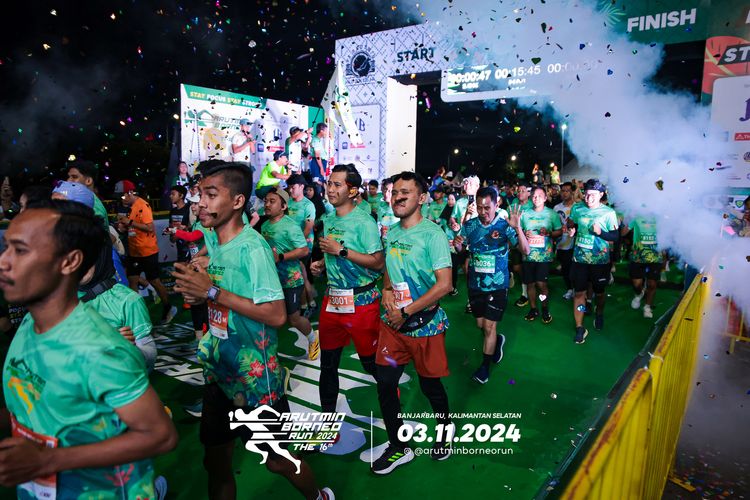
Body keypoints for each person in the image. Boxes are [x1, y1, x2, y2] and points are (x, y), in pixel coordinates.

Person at [171, 162, 333, 500]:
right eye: (200, 195)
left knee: (279, 461)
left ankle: (319, 496)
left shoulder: (253, 247)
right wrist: (199, 289)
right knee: (216, 462)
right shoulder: (217, 243)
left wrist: (212, 292)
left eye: (211, 195)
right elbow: (221, 293)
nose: (201, 203)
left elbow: (276, 315)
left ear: (237, 201)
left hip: (255, 382)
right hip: (219, 373)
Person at [0, 199, 177, 498]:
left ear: (70, 262)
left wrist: (48, 460)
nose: (3, 261)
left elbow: (160, 435)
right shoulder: (30, 322)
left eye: (21, 250)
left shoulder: (99, 348)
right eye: (6, 247)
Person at [372, 172, 454, 473]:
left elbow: (445, 284)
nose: (397, 197)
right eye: (394, 192)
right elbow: (390, 268)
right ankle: (399, 446)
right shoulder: (392, 232)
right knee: (385, 383)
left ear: (421, 198)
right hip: (393, 326)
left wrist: (406, 311)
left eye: (405, 192)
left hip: (423, 326)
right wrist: (386, 289)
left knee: (430, 386)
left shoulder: (433, 235)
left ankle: (445, 428)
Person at [310, 164, 384, 419]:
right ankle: (328, 422)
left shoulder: (365, 222)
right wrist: (322, 264)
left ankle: (390, 395)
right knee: (327, 364)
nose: (330, 189)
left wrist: (341, 251)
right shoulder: (328, 219)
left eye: (337, 185)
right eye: (329, 183)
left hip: (362, 302)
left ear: (352, 191)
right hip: (333, 301)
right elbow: (334, 254)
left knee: (370, 362)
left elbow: (378, 262)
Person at [453, 188, 529, 384]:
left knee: (489, 327)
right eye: (479, 207)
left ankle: (484, 367)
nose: (483, 212)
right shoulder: (470, 225)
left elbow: (526, 250)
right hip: (475, 284)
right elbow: (461, 248)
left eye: (487, 208)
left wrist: (518, 228)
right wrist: (458, 244)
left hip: (498, 285)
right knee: (481, 325)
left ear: (497, 205)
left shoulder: (505, 226)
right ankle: (497, 340)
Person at [261, 187, 319, 361]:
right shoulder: (264, 225)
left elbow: (303, 250)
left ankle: (313, 339)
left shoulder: (291, 226)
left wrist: (281, 257)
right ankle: (266, 350)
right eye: (266, 201)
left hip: (291, 280)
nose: (267, 204)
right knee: (269, 315)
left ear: (284, 206)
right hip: (272, 279)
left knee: (293, 319)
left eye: (272, 201)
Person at [115, 180, 177, 324]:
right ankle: (137, 316)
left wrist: (129, 222)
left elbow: (150, 228)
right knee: (132, 281)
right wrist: (122, 226)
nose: (121, 199)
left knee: (154, 281)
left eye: (123, 196)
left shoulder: (143, 206)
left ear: (130, 193)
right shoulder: (129, 207)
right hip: (134, 251)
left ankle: (168, 307)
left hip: (147, 251)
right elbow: (131, 228)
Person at [567, 179, 620, 344]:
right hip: (579, 259)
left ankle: (599, 313)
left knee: (599, 292)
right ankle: (579, 327)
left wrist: (601, 233)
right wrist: (571, 230)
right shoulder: (577, 208)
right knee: (579, 293)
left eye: (593, 195)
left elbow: (615, 236)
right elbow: (572, 222)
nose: (589, 198)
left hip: (600, 261)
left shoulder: (609, 213)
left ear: (601, 194)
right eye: (587, 194)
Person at [520, 187, 562, 323]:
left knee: (541, 284)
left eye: (539, 195)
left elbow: (559, 231)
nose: (536, 198)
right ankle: (533, 309)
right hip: (528, 255)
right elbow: (518, 231)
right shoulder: (525, 214)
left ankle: (544, 308)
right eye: (534, 195)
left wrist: (549, 233)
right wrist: (523, 234)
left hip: (544, 256)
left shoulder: (552, 214)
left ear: (545, 198)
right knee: (530, 284)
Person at [287, 175, 319, 317]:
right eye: (289, 187)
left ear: (301, 187)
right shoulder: (288, 202)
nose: (290, 190)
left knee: (299, 274)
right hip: (290, 246)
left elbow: (308, 228)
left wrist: (296, 244)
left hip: (304, 246)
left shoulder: (308, 205)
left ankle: (306, 304)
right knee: (301, 275)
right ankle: (308, 303)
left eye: (293, 187)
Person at [622, 214, 661, 319]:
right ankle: (639, 293)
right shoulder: (636, 215)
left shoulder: (659, 217)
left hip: (655, 256)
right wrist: (626, 222)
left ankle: (647, 307)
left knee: (652, 284)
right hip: (638, 256)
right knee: (637, 284)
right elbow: (623, 233)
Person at [509, 182, 533, 307]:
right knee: (517, 267)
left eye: (523, 191)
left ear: (529, 193)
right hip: (515, 239)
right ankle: (524, 289)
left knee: (528, 268)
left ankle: (525, 294)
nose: (520, 193)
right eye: (518, 191)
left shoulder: (533, 205)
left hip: (530, 241)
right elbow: (508, 221)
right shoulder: (513, 204)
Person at [66, 160, 109, 224]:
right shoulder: (82, 201)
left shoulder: (94, 208)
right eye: (69, 177)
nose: (68, 180)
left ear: (88, 181)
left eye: (74, 177)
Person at [554, 182, 577, 300]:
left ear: (572, 192)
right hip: (562, 244)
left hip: (576, 244)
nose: (564, 193)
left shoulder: (578, 207)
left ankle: (580, 290)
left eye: (567, 190)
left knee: (576, 269)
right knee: (565, 268)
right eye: (563, 190)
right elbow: (554, 225)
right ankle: (570, 289)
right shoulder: (556, 208)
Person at [166, 185, 192, 263]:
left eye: (173, 194)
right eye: (170, 194)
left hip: (190, 247)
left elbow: (193, 228)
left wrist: (181, 230)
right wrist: (173, 234)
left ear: (181, 196)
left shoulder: (190, 209)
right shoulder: (172, 211)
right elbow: (171, 235)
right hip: (179, 247)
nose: (170, 196)